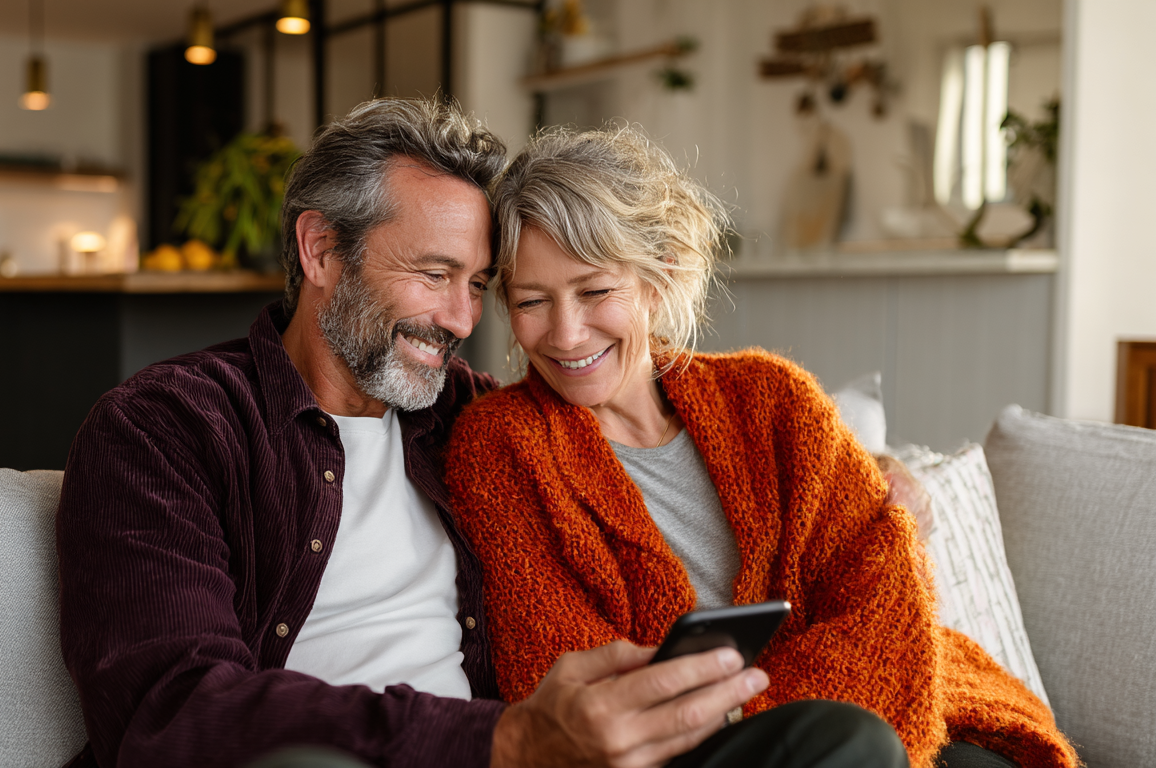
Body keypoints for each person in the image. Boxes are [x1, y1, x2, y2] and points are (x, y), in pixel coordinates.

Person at [56, 98, 906, 768]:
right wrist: (502, 744)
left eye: (480, 284)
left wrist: (868, 476)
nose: (462, 318)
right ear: (320, 250)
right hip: (369, 761)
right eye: (433, 276)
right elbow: (171, 715)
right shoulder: (167, 430)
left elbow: (635, 418)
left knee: (843, 743)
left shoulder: (471, 419)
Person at [442, 124, 1077, 768]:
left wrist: (768, 713)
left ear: (658, 278)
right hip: (683, 753)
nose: (567, 333)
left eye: (595, 291)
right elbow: (563, 680)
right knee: (857, 744)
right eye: (531, 302)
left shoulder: (773, 399)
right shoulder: (500, 448)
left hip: (875, 705)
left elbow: (884, 579)